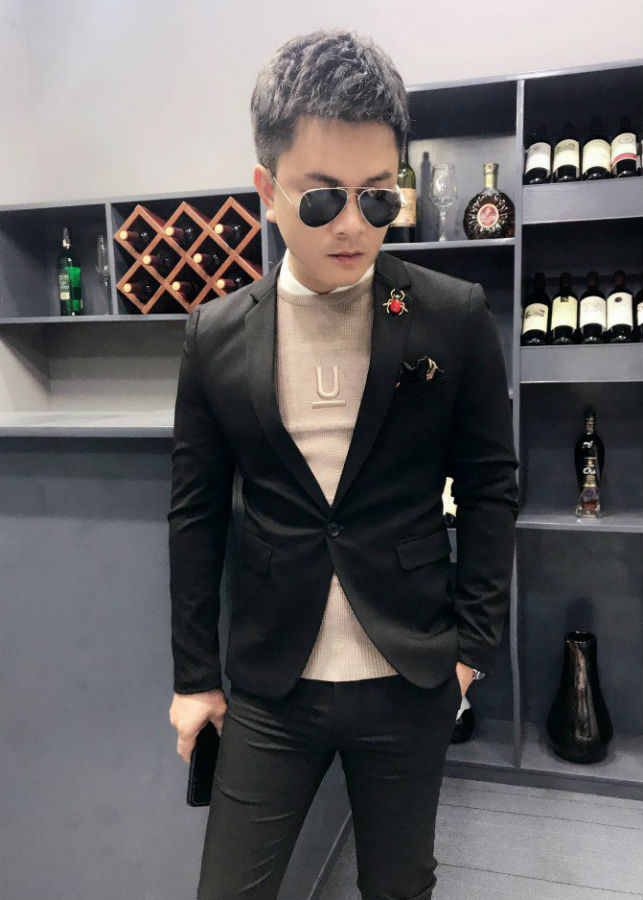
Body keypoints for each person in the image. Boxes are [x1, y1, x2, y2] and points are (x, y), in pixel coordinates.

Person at [168, 27, 519, 900]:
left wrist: (471, 650)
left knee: (399, 887)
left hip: (409, 675)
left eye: (378, 196)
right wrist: (194, 679)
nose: (354, 224)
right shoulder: (215, 335)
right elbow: (195, 514)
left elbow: (489, 486)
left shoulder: (450, 315)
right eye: (324, 198)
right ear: (268, 191)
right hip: (270, 684)